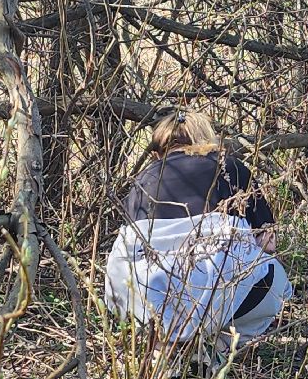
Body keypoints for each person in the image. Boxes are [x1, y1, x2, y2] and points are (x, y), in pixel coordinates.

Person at [105, 110, 291, 354]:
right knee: (272, 272)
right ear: (205, 138)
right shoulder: (228, 167)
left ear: (158, 151)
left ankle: (164, 346)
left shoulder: (143, 179)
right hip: (224, 295)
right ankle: (222, 346)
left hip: (152, 302)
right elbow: (267, 241)